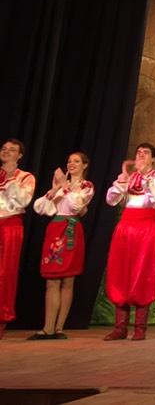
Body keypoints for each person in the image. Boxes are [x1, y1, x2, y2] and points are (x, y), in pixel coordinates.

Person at [103, 143, 155, 341]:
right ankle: (120, 327)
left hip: (146, 227)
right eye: (138, 152)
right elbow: (111, 200)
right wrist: (122, 181)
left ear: (153, 159)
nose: (140, 155)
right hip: (126, 227)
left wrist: (146, 180)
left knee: (143, 273)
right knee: (121, 272)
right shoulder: (129, 177)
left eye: (145, 153)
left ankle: (140, 327)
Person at [29, 152, 94, 340]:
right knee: (52, 279)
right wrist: (55, 188)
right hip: (55, 228)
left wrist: (65, 187)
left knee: (68, 280)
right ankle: (48, 327)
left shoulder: (86, 186)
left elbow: (76, 206)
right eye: (69, 161)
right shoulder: (60, 185)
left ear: (84, 165)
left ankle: (59, 328)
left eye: (76, 161)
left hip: (71, 229)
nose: (71, 164)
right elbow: (41, 208)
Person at [0, 139, 36, 339]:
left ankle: (2, 317)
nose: (6, 152)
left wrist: (11, 177)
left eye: (12, 150)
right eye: (4, 149)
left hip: (10, 225)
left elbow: (22, 201)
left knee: (5, 273)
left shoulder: (25, 177)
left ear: (20, 155)